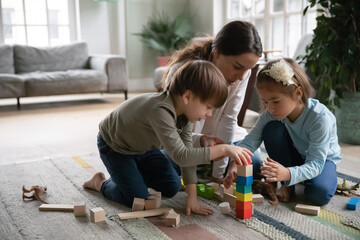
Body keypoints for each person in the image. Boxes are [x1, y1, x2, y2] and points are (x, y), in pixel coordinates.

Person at [83, 60, 253, 212]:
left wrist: (192, 199)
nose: (209, 114)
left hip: (144, 149)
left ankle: (129, 174)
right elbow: (182, 157)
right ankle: (101, 183)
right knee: (138, 200)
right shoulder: (160, 111)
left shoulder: (185, 117)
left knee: (172, 186)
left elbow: (187, 156)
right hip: (115, 147)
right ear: (188, 96)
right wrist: (224, 149)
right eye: (208, 107)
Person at [161, 20, 263, 215]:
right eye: (237, 67)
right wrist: (211, 151)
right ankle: (200, 173)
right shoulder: (184, 72)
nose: (241, 77)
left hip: (218, 143)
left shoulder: (240, 76)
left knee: (252, 161)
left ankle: (210, 173)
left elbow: (229, 120)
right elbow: (178, 134)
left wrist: (218, 175)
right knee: (165, 168)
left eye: (247, 70)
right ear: (217, 53)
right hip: (187, 142)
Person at [224, 58, 342, 206]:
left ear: (298, 93)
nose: (270, 108)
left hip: (322, 160)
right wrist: (236, 162)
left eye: (276, 101)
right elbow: (251, 140)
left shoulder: (320, 119)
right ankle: (288, 184)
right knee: (272, 129)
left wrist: (287, 173)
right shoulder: (271, 113)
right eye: (265, 102)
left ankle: (293, 178)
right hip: (295, 156)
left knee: (318, 195)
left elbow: (316, 163)